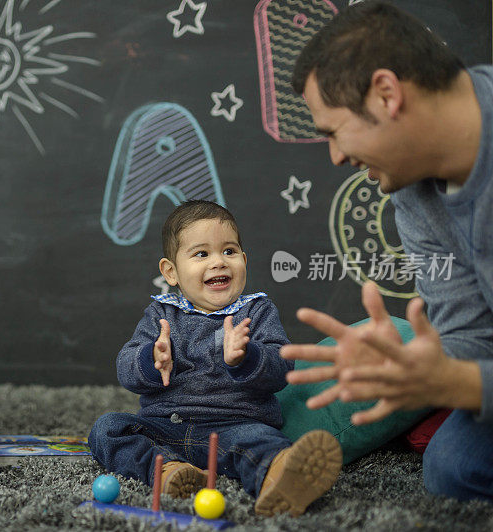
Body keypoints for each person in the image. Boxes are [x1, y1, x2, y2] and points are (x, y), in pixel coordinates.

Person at [284, 0, 493, 501]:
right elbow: (468, 334)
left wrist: (458, 384)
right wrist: (413, 372)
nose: (335, 156)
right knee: (452, 466)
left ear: (385, 94)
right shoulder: (411, 191)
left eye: (332, 132)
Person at [88, 200, 342, 516]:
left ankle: (281, 476)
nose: (219, 262)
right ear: (171, 271)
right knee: (108, 428)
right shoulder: (161, 315)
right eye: (201, 254)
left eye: (229, 252)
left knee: (263, 442)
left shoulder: (257, 312)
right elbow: (125, 368)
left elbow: (282, 367)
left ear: (244, 261)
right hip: (166, 426)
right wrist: (150, 360)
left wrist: (247, 358)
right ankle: (168, 473)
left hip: (235, 425)